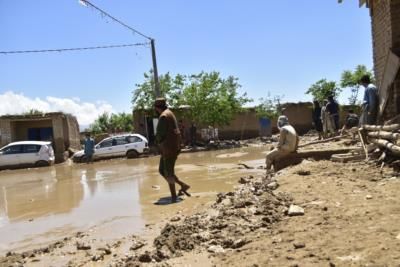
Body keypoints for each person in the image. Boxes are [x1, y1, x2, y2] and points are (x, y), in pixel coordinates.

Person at [154, 98, 191, 203]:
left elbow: (159, 135)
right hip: (172, 147)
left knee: (169, 173)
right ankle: (183, 185)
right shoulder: (170, 113)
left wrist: (157, 144)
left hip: (168, 148)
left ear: (156, 108)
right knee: (162, 170)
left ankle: (174, 198)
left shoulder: (163, 116)